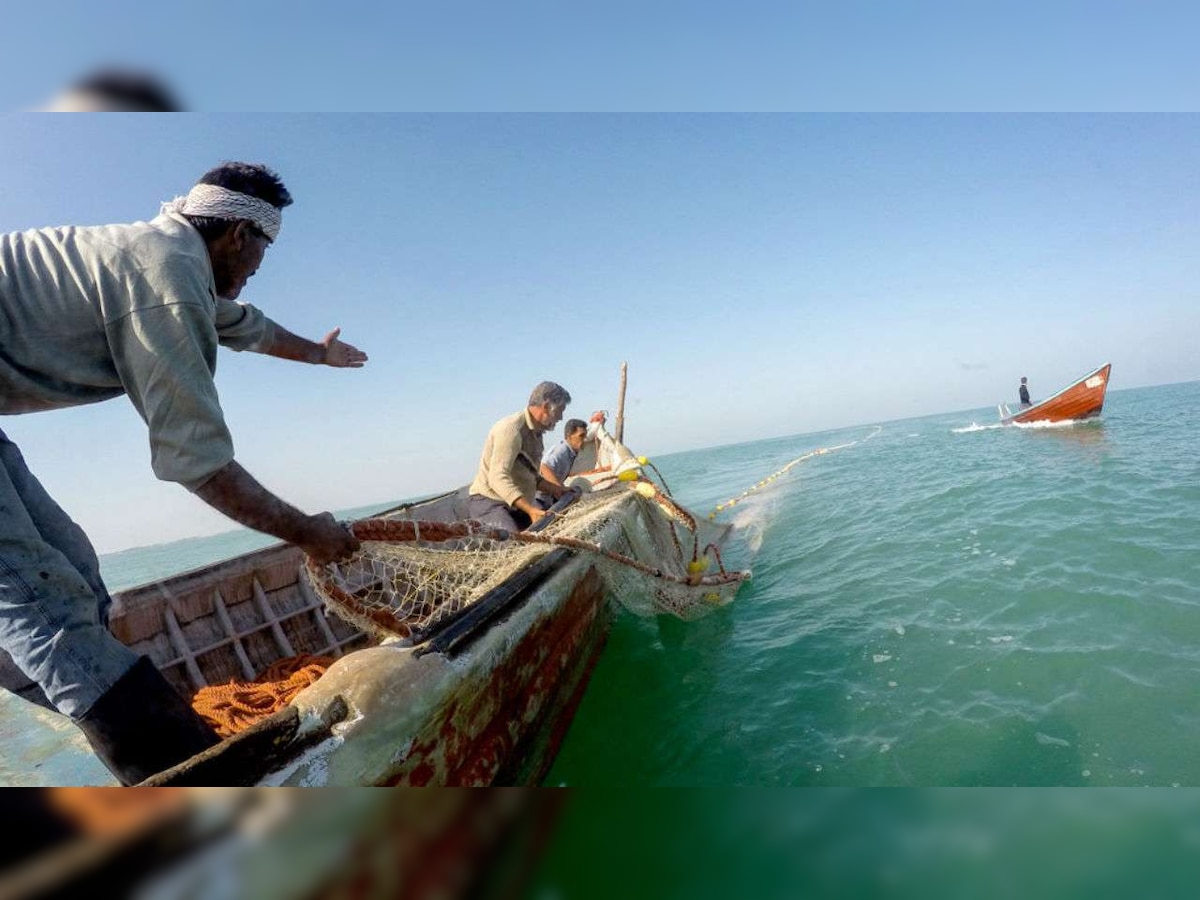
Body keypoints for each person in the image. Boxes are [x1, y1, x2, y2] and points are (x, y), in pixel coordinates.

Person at [0, 161, 366, 785]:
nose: (258, 268)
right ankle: (195, 783)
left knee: (74, 570)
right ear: (236, 236)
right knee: (41, 602)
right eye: (263, 250)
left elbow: (245, 325)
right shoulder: (164, 275)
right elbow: (196, 460)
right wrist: (308, 533)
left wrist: (319, 355)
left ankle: (102, 717)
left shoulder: (172, 258)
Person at [468, 382, 575, 531]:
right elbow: (497, 477)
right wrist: (531, 510)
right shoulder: (511, 429)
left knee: (550, 533)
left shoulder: (537, 433)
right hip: (490, 502)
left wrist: (557, 489)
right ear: (545, 407)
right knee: (513, 545)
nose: (561, 418)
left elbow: (533, 478)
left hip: (516, 505)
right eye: (559, 411)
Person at [534, 412, 607, 509]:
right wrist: (560, 489)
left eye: (585, 436)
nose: (584, 439)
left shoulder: (571, 452)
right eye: (581, 436)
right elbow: (544, 467)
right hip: (539, 500)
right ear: (569, 436)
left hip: (548, 499)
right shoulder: (562, 450)